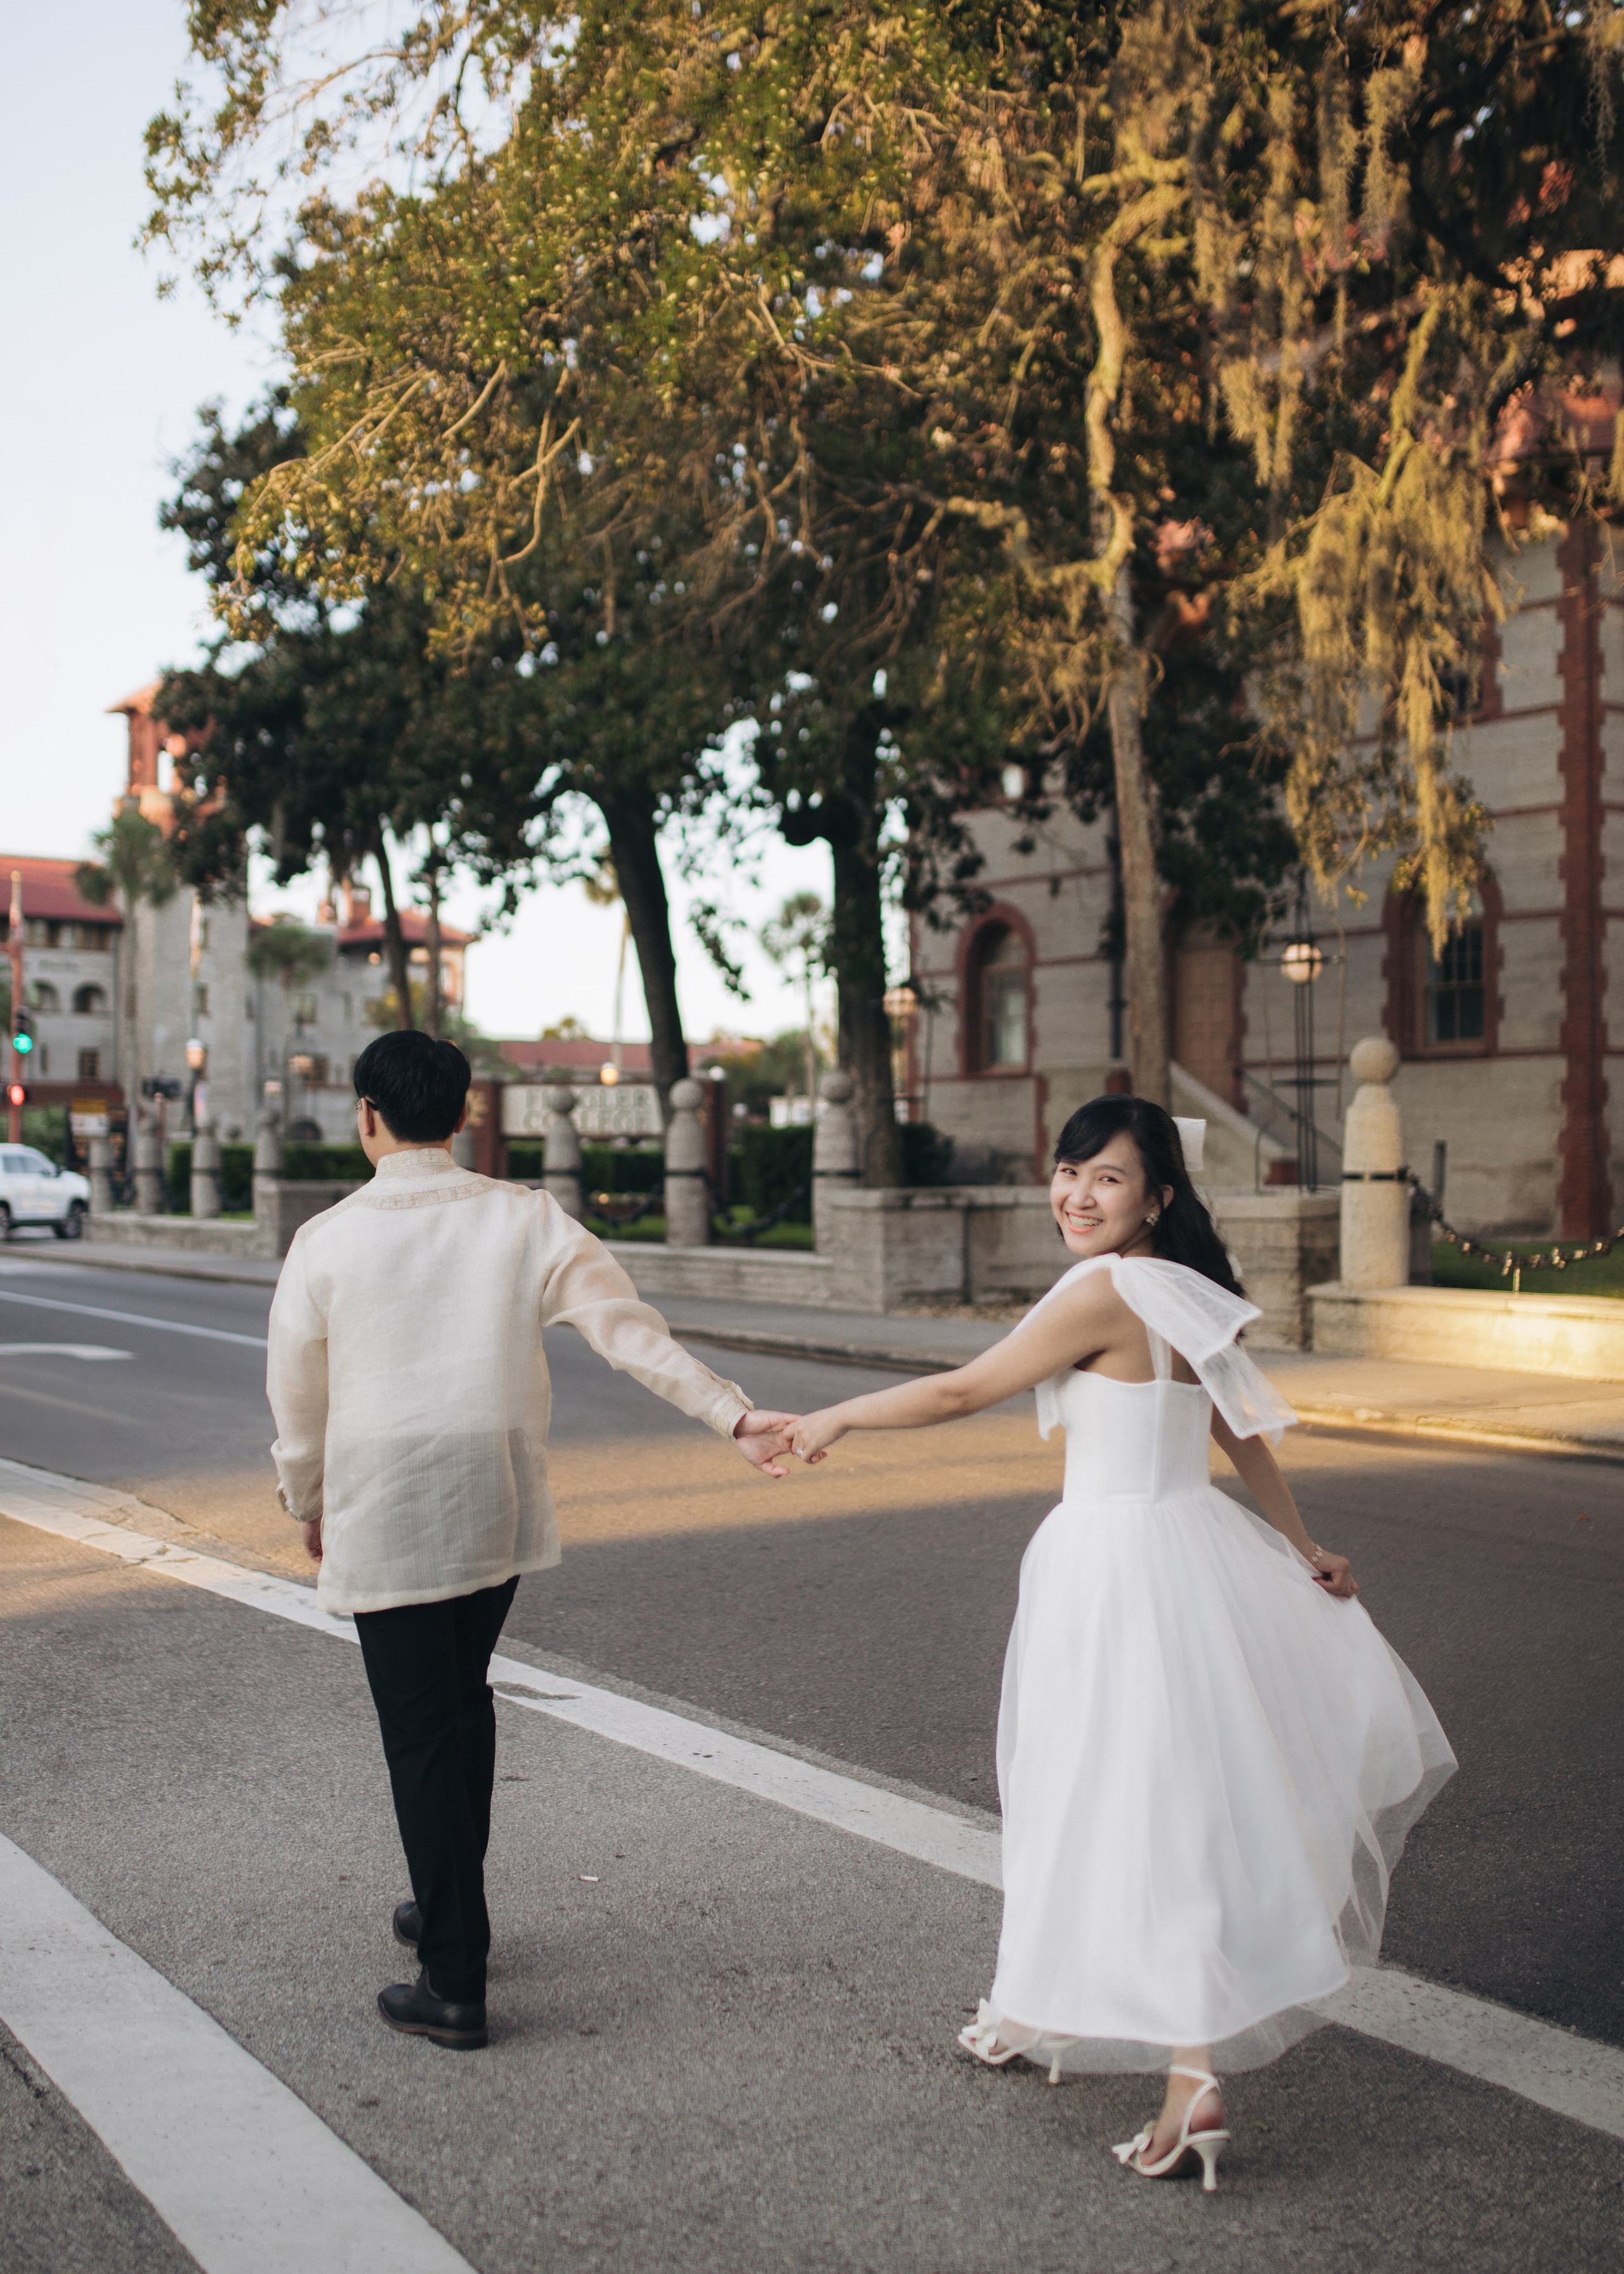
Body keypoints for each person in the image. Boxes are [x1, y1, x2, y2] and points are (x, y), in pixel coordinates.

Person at [787, 1096, 1454, 2190]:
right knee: (1160, 1799)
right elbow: (1234, 1429)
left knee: (1091, 1794)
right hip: (1189, 1551)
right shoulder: (1182, 1291)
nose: (1076, 1194)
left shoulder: (1103, 1290)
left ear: (1157, 1199)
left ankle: (1178, 2072)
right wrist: (1302, 1546)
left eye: (1106, 1178)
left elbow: (966, 1388)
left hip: (1111, 1569)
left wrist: (834, 1418)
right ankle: (1034, 2010)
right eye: (1068, 1171)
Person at [268, 1030, 800, 2051]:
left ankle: (454, 1979)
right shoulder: (523, 1219)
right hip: (493, 1502)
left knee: (422, 1732)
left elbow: (298, 1396)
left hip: (387, 1501)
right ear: (462, 1116)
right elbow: (627, 1330)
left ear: (365, 1116)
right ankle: (445, 1902)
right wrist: (732, 1417)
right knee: (459, 1702)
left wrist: (307, 1496)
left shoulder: (327, 1239)